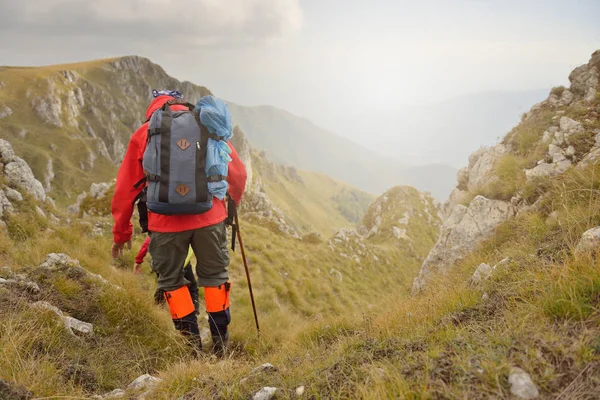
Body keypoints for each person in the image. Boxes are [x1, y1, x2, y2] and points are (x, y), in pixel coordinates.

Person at [111, 90, 247, 355]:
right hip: (209, 218)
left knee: (172, 283)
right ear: (183, 104)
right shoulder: (207, 125)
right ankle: (220, 345)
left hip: (164, 223)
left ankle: (191, 347)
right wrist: (232, 204)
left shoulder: (144, 133)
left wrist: (121, 233)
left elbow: (124, 190)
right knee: (216, 278)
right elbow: (238, 173)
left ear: (154, 109)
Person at [134, 237, 200, 312]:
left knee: (163, 287)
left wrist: (138, 260)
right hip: (181, 263)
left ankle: (159, 308)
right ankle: (193, 311)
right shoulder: (189, 228)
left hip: (164, 264)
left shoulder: (161, 227)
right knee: (192, 287)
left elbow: (148, 241)